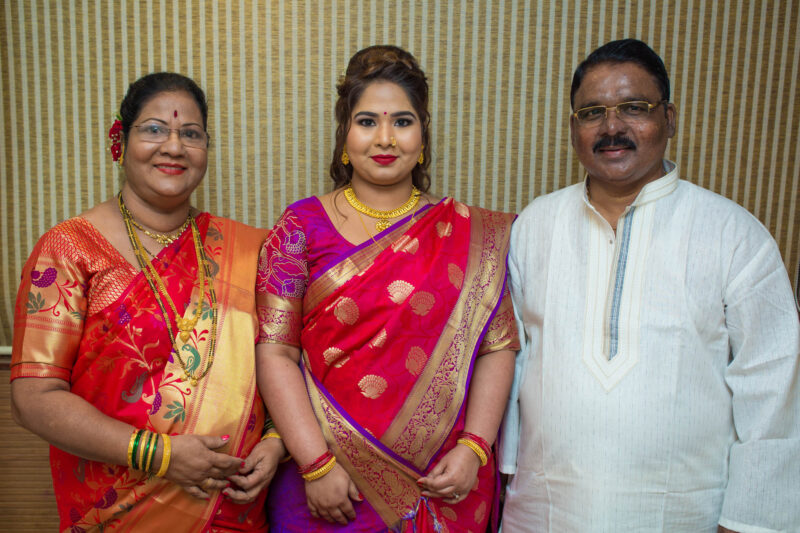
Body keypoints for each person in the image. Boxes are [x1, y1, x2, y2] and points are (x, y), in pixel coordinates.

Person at [499, 38, 800, 532]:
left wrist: (749, 521)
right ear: (573, 129)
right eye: (592, 113)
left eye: (634, 108)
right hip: (542, 511)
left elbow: (773, 388)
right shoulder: (535, 226)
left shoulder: (734, 235)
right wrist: (503, 474)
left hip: (686, 516)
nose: (612, 127)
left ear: (669, 118)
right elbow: (508, 361)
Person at [255, 45, 518, 531]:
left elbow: (497, 347)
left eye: (402, 121)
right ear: (344, 134)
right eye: (367, 121)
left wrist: (474, 448)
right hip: (325, 481)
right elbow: (275, 353)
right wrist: (315, 464)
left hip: (444, 480)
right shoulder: (300, 227)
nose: (385, 138)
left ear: (423, 134)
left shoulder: (470, 234)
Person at [10, 72, 283, 532]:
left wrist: (275, 441)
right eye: (155, 129)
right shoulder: (70, 249)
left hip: (232, 504)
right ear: (120, 142)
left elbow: (280, 362)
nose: (174, 147)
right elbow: (34, 398)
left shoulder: (248, 250)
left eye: (190, 134)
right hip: (118, 509)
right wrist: (160, 455)